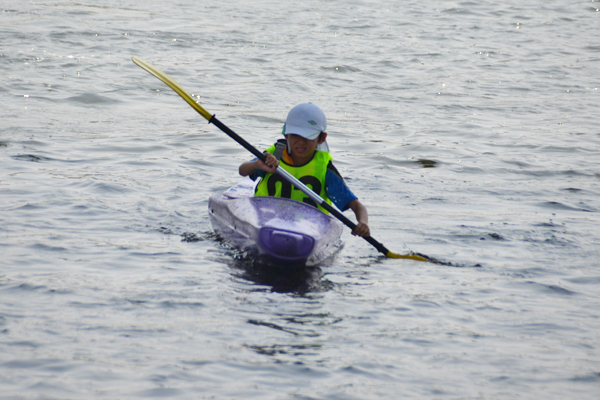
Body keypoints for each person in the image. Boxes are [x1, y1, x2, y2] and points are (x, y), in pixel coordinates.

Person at [239, 102, 370, 237]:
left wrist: (363, 223)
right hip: (265, 223)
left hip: (307, 233)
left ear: (322, 138)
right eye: (295, 135)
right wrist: (256, 165)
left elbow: (356, 205)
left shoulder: (325, 170)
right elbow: (242, 170)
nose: (301, 142)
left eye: (308, 136)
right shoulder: (274, 155)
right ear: (286, 134)